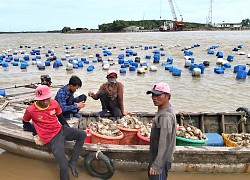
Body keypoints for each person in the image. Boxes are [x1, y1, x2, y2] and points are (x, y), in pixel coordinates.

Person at [23, 85, 86, 180]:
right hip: (52, 137)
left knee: (82, 134)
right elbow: (25, 123)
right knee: (63, 166)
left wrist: (69, 130)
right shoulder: (31, 110)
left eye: (47, 98)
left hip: (60, 129)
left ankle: (73, 162)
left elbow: (61, 118)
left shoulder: (54, 103)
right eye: (42, 99)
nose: (45, 101)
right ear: (37, 99)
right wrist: (36, 132)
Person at [146, 82, 177, 180]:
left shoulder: (165, 116)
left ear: (168, 96)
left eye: (158, 95)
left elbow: (165, 143)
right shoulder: (167, 110)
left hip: (160, 161)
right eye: (153, 94)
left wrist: (157, 165)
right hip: (159, 158)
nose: (154, 97)